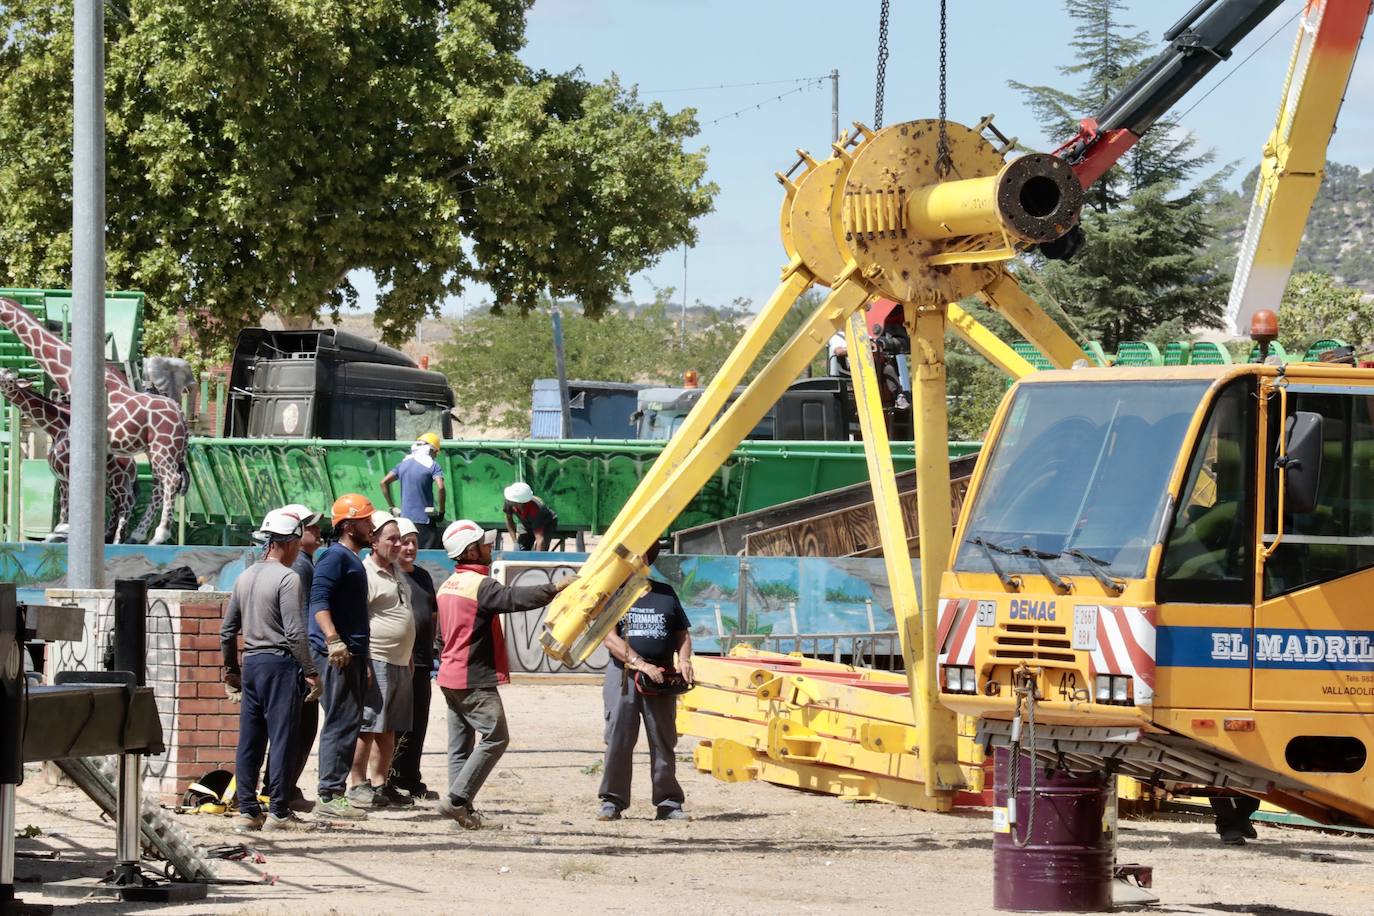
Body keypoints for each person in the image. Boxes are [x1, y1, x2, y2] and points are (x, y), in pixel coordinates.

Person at [435, 519, 573, 828]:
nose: (489, 547)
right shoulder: (479, 585)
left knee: (460, 746)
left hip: (449, 674)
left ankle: (462, 812)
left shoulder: (447, 584)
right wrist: (553, 588)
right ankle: (457, 801)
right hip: (473, 678)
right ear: (470, 551)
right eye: (484, 544)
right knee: (496, 737)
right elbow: (513, 599)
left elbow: (441, 637)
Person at [221, 507, 318, 832]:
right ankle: (278, 811)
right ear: (290, 542)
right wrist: (311, 670)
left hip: (252, 664)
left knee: (250, 739)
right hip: (280, 664)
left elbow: (227, 630)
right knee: (283, 737)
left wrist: (231, 670)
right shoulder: (288, 578)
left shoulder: (245, 576)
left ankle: (248, 811)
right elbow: (294, 631)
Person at [596, 540, 693, 822]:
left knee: (663, 739)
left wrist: (684, 660)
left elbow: (682, 634)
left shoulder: (665, 593)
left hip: (661, 677)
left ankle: (668, 802)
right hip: (624, 677)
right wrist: (640, 663)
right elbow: (609, 637)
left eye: (646, 556)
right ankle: (612, 801)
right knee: (619, 738)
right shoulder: (615, 594)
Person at [308, 493, 377, 820]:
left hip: (352, 653)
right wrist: (333, 640)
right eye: (365, 520)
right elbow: (318, 601)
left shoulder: (350, 558)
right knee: (340, 719)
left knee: (348, 719)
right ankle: (329, 795)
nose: (371, 525)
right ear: (348, 525)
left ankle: (331, 792)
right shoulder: (334, 558)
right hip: (339, 653)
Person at [349, 511, 416, 808]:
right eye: (392, 539)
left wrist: (409, 654)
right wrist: (362, 661)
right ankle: (357, 784)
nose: (399, 544)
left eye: (400, 539)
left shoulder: (396, 572)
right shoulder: (364, 574)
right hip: (376, 659)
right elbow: (357, 620)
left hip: (400, 661)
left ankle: (380, 783)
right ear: (374, 541)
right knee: (367, 725)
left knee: (388, 726)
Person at [271, 503, 323, 812]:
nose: (316, 532)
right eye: (310, 527)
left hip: (285, 658)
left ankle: (281, 786)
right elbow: (299, 620)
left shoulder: (299, 563)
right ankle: (284, 788)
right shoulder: (300, 566)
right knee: (301, 727)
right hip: (297, 660)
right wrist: (308, 664)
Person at [389, 518, 439, 800]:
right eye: (404, 542)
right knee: (397, 723)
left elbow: (431, 612)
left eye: (414, 543)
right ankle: (390, 776)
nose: (409, 548)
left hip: (422, 661)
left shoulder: (422, 576)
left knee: (419, 722)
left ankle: (411, 776)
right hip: (398, 661)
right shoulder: (390, 576)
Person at [381, 433, 445, 549]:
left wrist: (392, 506)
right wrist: (441, 511)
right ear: (431, 450)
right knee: (427, 557)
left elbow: (383, 482)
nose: (435, 456)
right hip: (425, 521)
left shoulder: (402, 465)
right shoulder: (432, 466)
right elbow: (440, 487)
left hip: (405, 522)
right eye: (436, 452)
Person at [502, 482, 558, 551]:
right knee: (521, 548)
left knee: (541, 550)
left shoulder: (536, 509)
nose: (509, 502)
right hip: (525, 521)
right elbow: (509, 520)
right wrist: (515, 542)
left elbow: (540, 539)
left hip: (546, 523)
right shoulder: (510, 499)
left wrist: (537, 559)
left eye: (512, 502)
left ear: (520, 503)